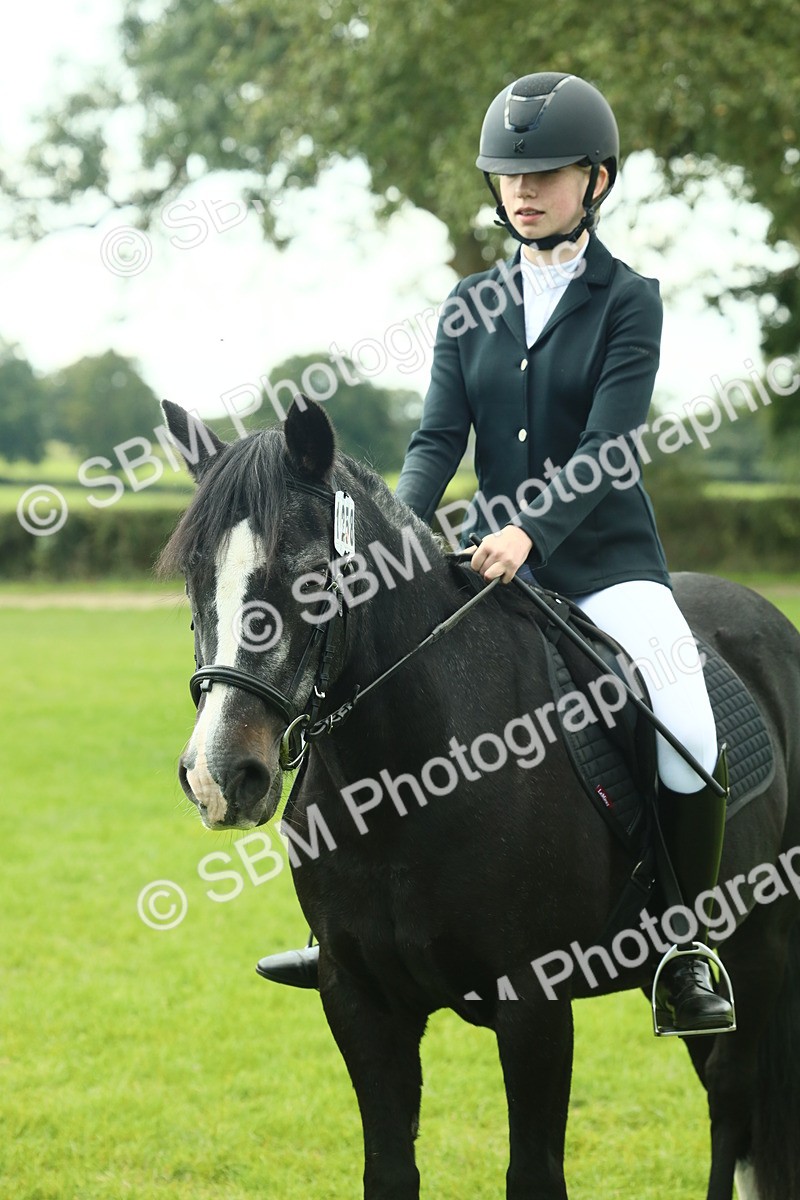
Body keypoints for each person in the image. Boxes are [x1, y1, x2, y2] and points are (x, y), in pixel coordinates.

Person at [257, 72, 733, 1034]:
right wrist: (399, 527)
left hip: (601, 564)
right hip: (478, 558)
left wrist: (534, 529)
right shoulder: (470, 303)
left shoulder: (628, 300)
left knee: (691, 726)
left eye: (546, 174)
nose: (524, 191)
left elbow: (610, 446)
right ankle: (349, 929)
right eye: (510, 175)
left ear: (595, 181)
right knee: (365, 684)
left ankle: (682, 942)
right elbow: (438, 438)